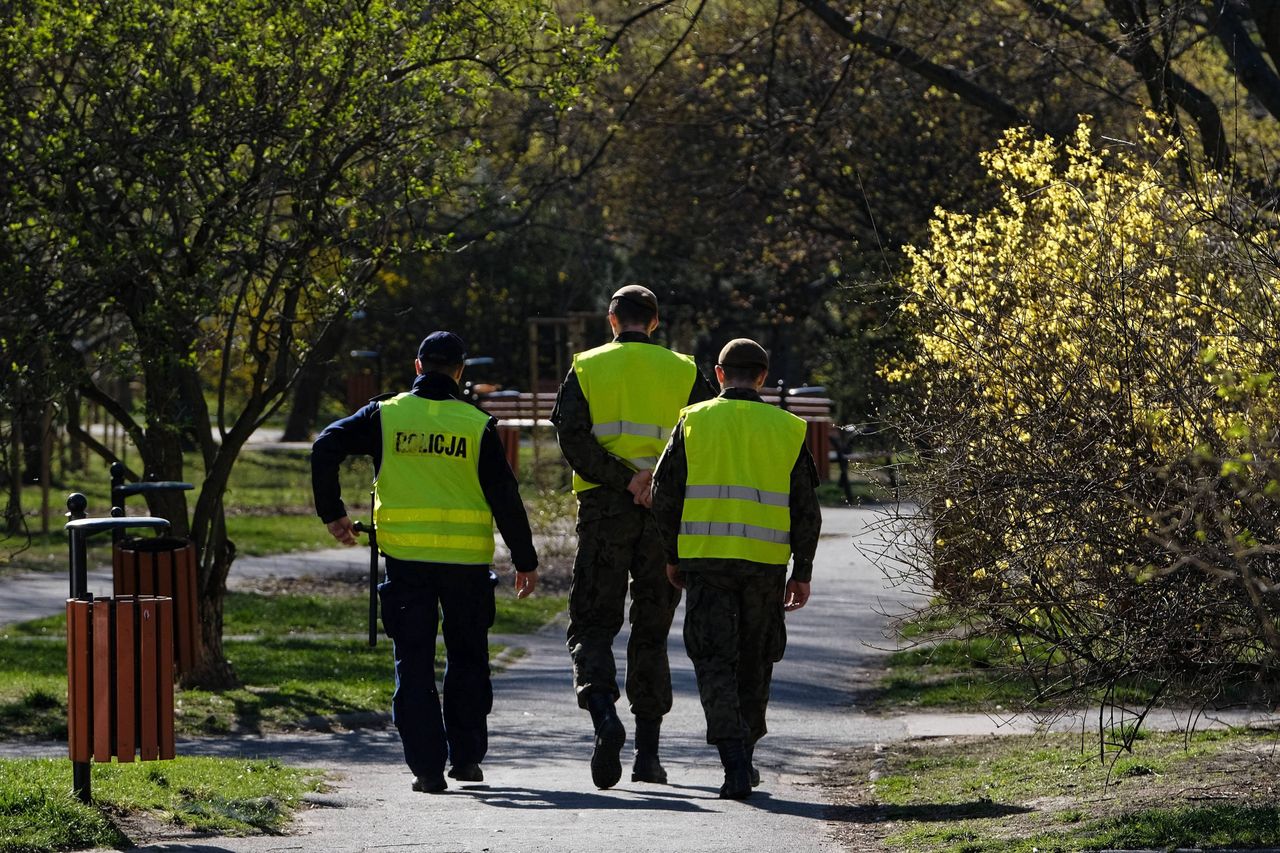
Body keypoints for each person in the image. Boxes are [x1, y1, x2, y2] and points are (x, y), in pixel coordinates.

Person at [310, 331, 539, 794]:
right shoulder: (476, 425)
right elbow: (506, 497)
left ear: (418, 367)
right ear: (459, 372)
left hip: (406, 562)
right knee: (468, 660)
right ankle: (467, 760)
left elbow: (324, 445)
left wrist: (333, 513)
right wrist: (525, 559)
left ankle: (427, 770)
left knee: (413, 663)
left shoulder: (385, 415)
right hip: (466, 566)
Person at [551, 284, 716, 789]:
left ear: (611, 319)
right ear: (656, 322)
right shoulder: (686, 372)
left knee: (592, 623)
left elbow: (572, 438)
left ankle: (604, 717)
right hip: (663, 517)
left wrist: (625, 478)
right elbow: (704, 438)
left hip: (605, 510)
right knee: (651, 631)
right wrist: (656, 483)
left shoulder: (586, 367)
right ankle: (648, 754)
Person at [650, 338, 822, 799]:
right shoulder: (788, 428)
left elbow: (664, 494)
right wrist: (801, 570)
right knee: (756, 659)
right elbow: (807, 508)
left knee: (713, 660)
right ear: (763, 377)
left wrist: (672, 555)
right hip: (765, 567)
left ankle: (733, 762)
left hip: (706, 562)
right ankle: (745, 751)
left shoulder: (693, 421)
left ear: (719, 374)